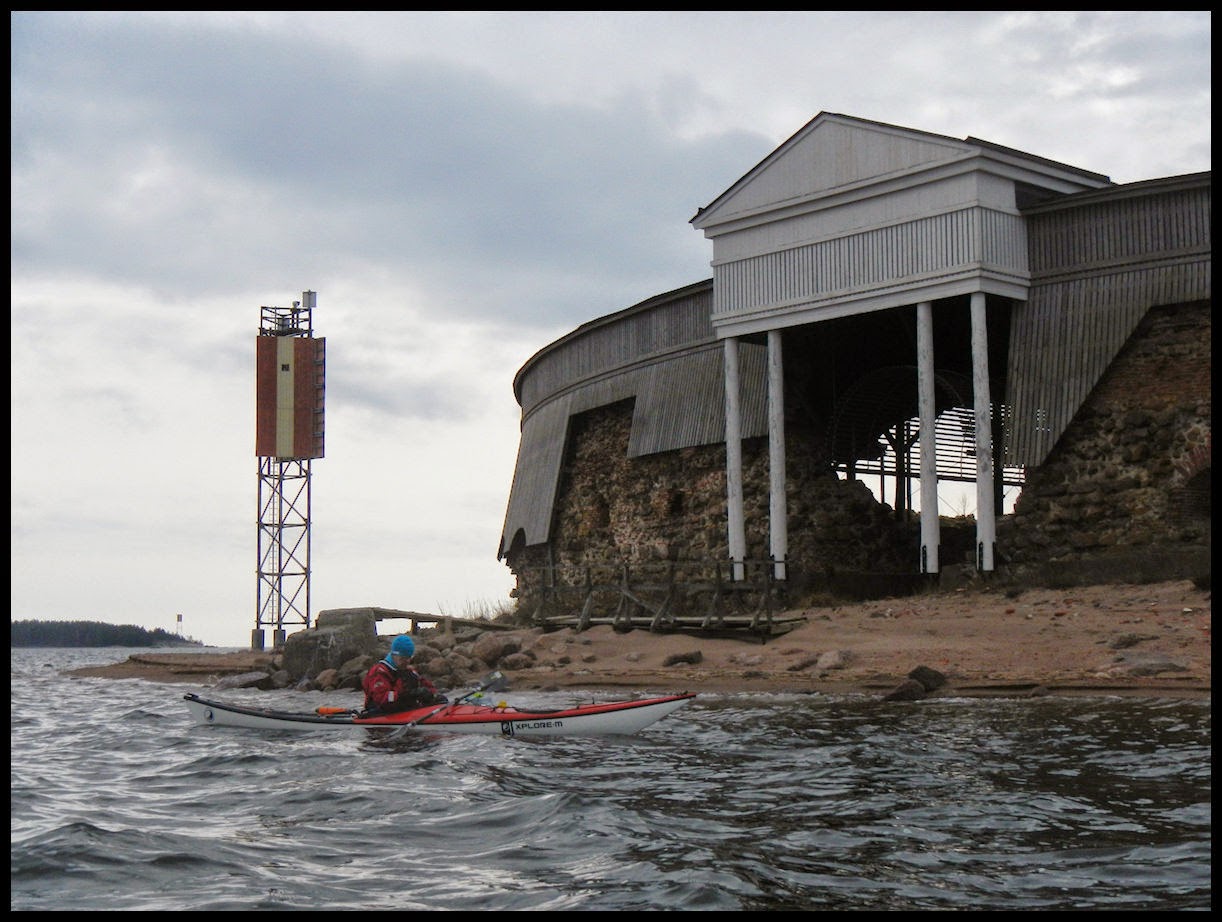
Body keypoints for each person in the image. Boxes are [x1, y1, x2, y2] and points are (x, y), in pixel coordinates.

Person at [361, 635, 447, 714]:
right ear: (394, 655)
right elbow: (381, 698)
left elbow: (425, 684)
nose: (407, 662)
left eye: (409, 658)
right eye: (403, 658)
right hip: (382, 713)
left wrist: (434, 695)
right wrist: (406, 695)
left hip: (405, 710)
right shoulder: (379, 672)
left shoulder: (409, 671)